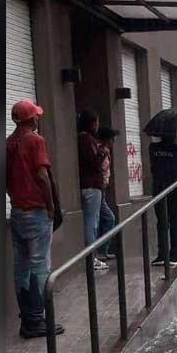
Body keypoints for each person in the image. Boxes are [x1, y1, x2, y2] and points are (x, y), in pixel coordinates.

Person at [6, 99, 64, 339]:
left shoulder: (7, 144)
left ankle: (27, 319)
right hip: (36, 211)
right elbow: (42, 175)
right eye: (36, 115)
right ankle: (38, 319)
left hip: (17, 212)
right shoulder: (35, 141)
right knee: (40, 265)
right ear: (31, 119)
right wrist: (50, 207)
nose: (38, 118)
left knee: (21, 266)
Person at [148, 133, 177, 266]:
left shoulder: (153, 148)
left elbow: (153, 168)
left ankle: (162, 255)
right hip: (176, 191)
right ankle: (174, 255)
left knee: (162, 222)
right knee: (176, 222)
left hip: (159, 189)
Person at [76, 110, 110, 271]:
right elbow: (94, 162)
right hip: (91, 187)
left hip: (89, 186)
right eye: (96, 122)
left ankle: (93, 256)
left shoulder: (85, 139)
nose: (97, 126)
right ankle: (92, 257)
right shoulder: (86, 139)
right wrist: (102, 152)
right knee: (92, 224)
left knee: (93, 222)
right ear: (91, 123)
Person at [94, 126, 120, 261]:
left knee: (104, 219)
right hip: (97, 190)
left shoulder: (105, 151)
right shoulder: (100, 151)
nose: (113, 141)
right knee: (108, 219)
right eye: (112, 139)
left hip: (101, 190)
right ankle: (99, 252)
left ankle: (102, 251)